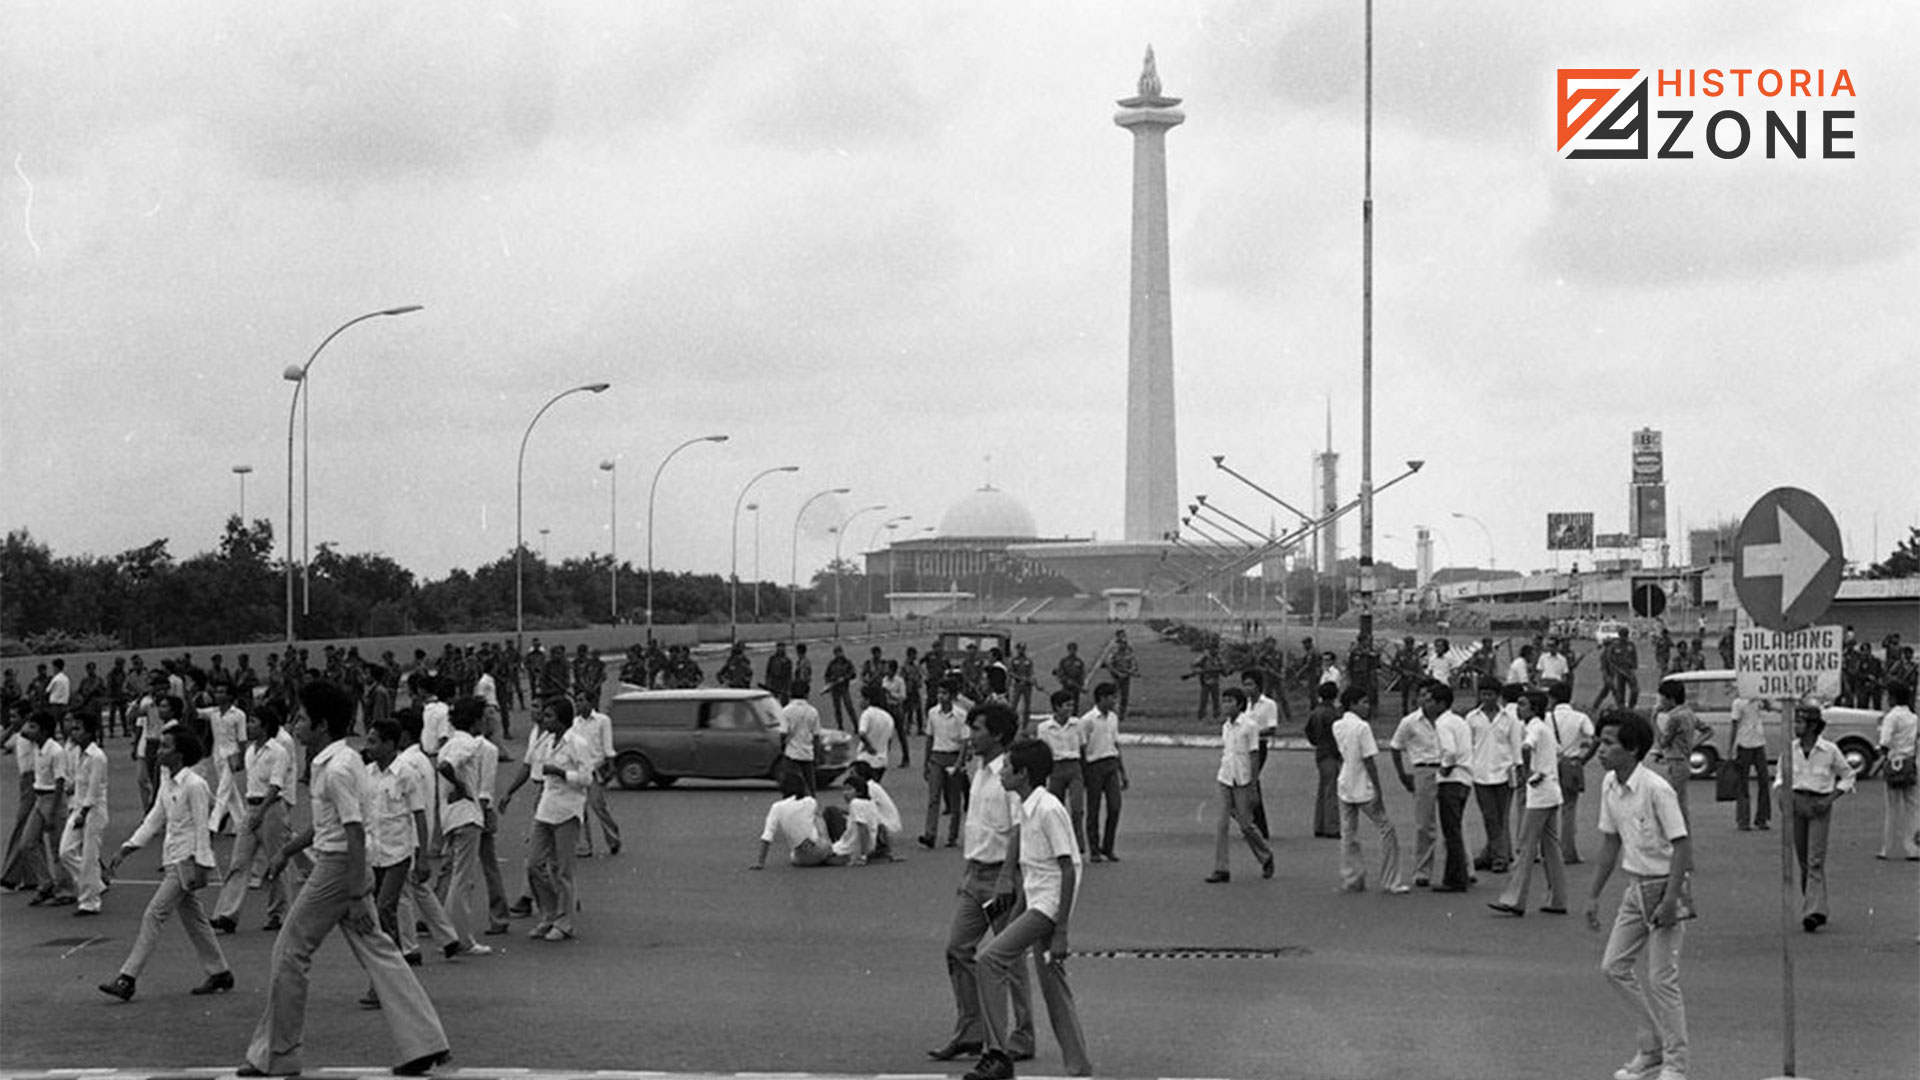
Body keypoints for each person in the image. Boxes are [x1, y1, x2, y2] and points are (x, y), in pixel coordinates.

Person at [240, 680, 449, 1077]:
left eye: (301, 719)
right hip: (347, 865)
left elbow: (351, 832)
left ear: (320, 725)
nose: (295, 725)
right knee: (380, 952)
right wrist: (286, 850)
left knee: (289, 953)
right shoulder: (348, 760)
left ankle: (278, 1056)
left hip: (338, 870)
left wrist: (355, 891)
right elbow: (331, 825)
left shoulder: (334, 769)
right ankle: (426, 1042)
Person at [968, 736, 1092, 1080]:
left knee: (989, 960)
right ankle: (1079, 1067)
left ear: (1023, 774)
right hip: (1037, 904)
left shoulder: (1049, 809)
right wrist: (1015, 912)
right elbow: (1033, 870)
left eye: (1007, 768)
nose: (1002, 773)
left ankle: (997, 1055)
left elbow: (1069, 867)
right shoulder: (1026, 809)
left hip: (1049, 909)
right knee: (1054, 990)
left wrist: (1061, 930)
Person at [1583, 709, 1694, 1080]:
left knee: (1663, 979)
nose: (1601, 750)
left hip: (1666, 887)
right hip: (1636, 889)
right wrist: (1594, 895)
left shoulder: (1656, 788)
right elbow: (1611, 841)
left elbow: (1681, 846)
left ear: (1632, 749)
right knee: (1613, 967)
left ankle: (1676, 1065)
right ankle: (1651, 1049)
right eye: (1600, 742)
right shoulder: (1609, 786)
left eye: (1609, 743)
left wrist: (1668, 900)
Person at [927, 701, 1035, 1066]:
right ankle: (971, 1030)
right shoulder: (978, 770)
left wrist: (1007, 876)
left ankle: (1021, 1035)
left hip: (1001, 879)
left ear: (999, 735)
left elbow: (1019, 827)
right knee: (957, 948)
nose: (969, 736)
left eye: (977, 730)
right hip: (974, 875)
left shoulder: (1009, 775)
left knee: (1009, 959)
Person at [97, 727, 234, 1001]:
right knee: (194, 919)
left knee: (154, 915)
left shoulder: (194, 785)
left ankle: (127, 978)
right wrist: (128, 847)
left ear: (180, 755)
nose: (159, 751)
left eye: (165, 747)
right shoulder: (169, 783)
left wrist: (200, 862)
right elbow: (154, 819)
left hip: (186, 861)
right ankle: (219, 971)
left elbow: (202, 826)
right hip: (173, 859)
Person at [502, 697, 593, 941]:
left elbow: (587, 778)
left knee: (563, 870)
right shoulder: (543, 741)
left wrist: (562, 773)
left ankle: (564, 923)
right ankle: (549, 913)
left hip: (567, 810)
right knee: (534, 864)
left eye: (550, 716)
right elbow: (530, 767)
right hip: (545, 808)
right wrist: (510, 792)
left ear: (562, 719)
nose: (544, 719)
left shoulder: (577, 743)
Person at [210, 707, 291, 934]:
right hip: (251, 806)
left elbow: (275, 785)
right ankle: (227, 914)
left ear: (265, 726)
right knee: (239, 862)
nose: (250, 726)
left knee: (276, 862)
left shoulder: (278, 751)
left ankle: (278, 913)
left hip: (271, 809)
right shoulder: (250, 751)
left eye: (254, 722)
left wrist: (261, 811)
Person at [1489, 690, 1567, 917]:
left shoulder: (1533, 727)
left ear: (1533, 708)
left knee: (1525, 846)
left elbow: (1525, 747)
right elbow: (1558, 753)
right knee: (1551, 847)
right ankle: (1557, 899)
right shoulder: (1545, 728)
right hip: (1551, 790)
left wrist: (1527, 772)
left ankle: (1515, 899)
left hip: (1540, 794)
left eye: (1523, 705)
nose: (1518, 708)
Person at [1778, 705, 1855, 932]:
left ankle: (1813, 911)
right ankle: (1815, 904)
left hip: (1820, 805)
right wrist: (1782, 796)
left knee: (1815, 860)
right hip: (1797, 803)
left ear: (1812, 726)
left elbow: (1848, 775)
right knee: (1803, 860)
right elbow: (1781, 777)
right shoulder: (1789, 749)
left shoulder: (1829, 750)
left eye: (1800, 723)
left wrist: (1830, 799)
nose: (1796, 727)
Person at [434, 696, 495, 955]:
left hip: (450, 816)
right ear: (474, 720)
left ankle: (450, 935)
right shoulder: (467, 744)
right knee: (463, 880)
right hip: (466, 815)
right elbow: (446, 767)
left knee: (458, 878)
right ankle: (460, 939)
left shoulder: (449, 742)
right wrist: (462, 787)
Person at [1332, 686, 1406, 894]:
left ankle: (1352, 878)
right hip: (1363, 784)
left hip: (1345, 782)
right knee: (1387, 829)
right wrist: (1378, 790)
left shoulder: (1337, 725)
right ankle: (1390, 880)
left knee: (1348, 833)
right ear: (1352, 704)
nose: (1367, 706)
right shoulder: (1362, 727)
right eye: (1363, 702)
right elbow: (1369, 761)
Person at [1206, 687, 1274, 883]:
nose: (1226, 704)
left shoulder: (1249, 726)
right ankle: (1221, 869)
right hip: (1226, 777)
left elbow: (1254, 756)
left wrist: (1253, 786)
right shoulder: (1226, 726)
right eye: (1224, 700)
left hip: (1243, 779)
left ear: (1239, 704)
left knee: (1246, 825)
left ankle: (1265, 855)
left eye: (1230, 701)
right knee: (1222, 824)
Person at [1389, 684, 1443, 887]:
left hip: (1448, 770)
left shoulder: (1448, 721)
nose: (1425, 701)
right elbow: (1396, 746)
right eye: (1422, 696)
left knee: (1454, 823)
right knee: (1424, 824)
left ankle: (1460, 868)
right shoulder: (1410, 722)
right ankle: (1423, 870)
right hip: (1423, 769)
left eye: (1430, 697)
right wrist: (1402, 774)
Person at [1466, 680, 1523, 875]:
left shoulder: (1509, 719)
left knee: (1501, 816)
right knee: (1489, 816)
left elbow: (1516, 746)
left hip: (1504, 772)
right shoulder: (1472, 718)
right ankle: (1498, 855)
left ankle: (1496, 855)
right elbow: (1468, 746)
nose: (1487, 698)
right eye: (1483, 694)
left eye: (1491, 694)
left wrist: (1519, 768)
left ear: (1498, 696)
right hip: (1480, 773)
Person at [57, 711, 109, 915]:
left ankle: (89, 901)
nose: (73, 732)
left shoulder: (97, 756)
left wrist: (84, 812)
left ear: (89, 732)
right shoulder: (76, 752)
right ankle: (95, 884)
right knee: (65, 851)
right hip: (78, 807)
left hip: (93, 810)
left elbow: (95, 789)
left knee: (89, 856)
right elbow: (78, 781)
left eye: (78, 728)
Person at [1034, 690, 1089, 858]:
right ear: (1057, 708)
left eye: (1072, 705)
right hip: (1056, 768)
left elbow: (1083, 747)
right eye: (1067, 705)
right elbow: (1042, 753)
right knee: (1056, 809)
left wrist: (1084, 772)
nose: (1070, 709)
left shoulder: (1077, 724)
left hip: (1074, 767)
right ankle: (1058, 845)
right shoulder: (1044, 728)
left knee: (1077, 809)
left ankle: (1078, 846)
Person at [1432, 685, 1475, 892]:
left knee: (1451, 831)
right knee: (1455, 828)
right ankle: (1457, 874)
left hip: (1451, 779)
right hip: (1465, 778)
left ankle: (1457, 878)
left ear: (1440, 703)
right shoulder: (1460, 721)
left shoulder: (1442, 723)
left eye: (1431, 701)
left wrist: (1445, 767)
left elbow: (1449, 750)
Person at [750, 768, 837, 868]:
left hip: (800, 859)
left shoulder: (777, 807)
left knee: (793, 853)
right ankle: (829, 848)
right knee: (818, 817)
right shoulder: (810, 801)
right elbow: (820, 822)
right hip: (820, 851)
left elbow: (767, 836)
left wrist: (760, 862)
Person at [570, 689, 620, 858]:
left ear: (590, 703)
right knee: (579, 809)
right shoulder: (575, 723)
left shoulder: (602, 721)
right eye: (577, 700)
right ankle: (585, 845)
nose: (578, 704)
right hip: (579, 770)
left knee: (598, 806)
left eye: (581, 700)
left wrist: (611, 766)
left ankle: (613, 839)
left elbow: (607, 746)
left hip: (595, 768)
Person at [1551, 683, 1598, 864]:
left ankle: (1547, 850)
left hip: (1552, 765)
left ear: (1552, 699)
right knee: (1569, 808)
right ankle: (1568, 851)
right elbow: (1595, 737)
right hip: (1572, 764)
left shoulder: (1547, 717)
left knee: (1549, 809)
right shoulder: (1580, 717)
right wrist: (1585, 758)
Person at [1081, 683, 1126, 863]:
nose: (1115, 701)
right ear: (1102, 698)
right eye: (1112, 697)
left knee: (1115, 806)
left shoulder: (1113, 718)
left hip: (1111, 763)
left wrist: (1123, 771)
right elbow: (1083, 747)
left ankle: (1108, 847)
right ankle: (1094, 848)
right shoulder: (1088, 720)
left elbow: (1116, 744)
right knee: (1094, 808)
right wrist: (1084, 773)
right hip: (1094, 765)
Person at [920, 681, 969, 849]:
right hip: (937, 756)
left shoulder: (961, 715)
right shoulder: (933, 713)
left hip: (953, 756)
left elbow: (964, 741)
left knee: (954, 799)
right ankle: (930, 834)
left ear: (953, 696)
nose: (941, 696)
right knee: (934, 798)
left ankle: (952, 835)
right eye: (939, 693)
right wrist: (925, 762)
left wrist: (959, 763)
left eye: (945, 693)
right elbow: (929, 738)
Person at [1650, 680, 1705, 822]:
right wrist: (1692, 744)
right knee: (1680, 800)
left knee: (1674, 801)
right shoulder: (1688, 712)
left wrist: (1654, 720)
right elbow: (1707, 730)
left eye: (1662, 698)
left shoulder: (1674, 718)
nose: (1660, 702)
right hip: (1683, 760)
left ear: (1670, 698)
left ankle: (1680, 833)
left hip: (1675, 761)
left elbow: (1663, 742)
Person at [1875, 682, 1919, 860]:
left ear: (1893, 697)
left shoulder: (1891, 717)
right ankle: (1914, 848)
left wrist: (1879, 760)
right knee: (1913, 808)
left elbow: (1885, 742)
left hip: (1894, 762)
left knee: (1892, 809)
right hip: (1910, 763)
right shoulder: (1913, 717)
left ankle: (1887, 848)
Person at [1240, 670, 1280, 839]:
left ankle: (1259, 827)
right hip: (1243, 747)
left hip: (1259, 746)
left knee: (1253, 782)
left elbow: (1272, 728)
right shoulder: (1244, 704)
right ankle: (1252, 824)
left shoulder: (1269, 704)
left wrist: (1253, 732)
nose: (1247, 688)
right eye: (1245, 684)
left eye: (1250, 684)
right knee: (1246, 782)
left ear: (1258, 686)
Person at [1725, 693, 1772, 832]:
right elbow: (1734, 725)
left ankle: (1762, 818)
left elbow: (1769, 707)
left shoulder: (1758, 700)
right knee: (1742, 783)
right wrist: (1730, 748)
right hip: (1744, 743)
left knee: (1764, 780)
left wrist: (1762, 698)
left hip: (1759, 743)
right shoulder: (1738, 703)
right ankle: (1743, 820)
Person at [1303, 681, 1343, 840]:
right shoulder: (1332, 714)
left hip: (1320, 751)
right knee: (1331, 791)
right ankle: (1331, 827)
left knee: (1323, 789)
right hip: (1331, 753)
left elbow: (1308, 730)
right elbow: (1337, 736)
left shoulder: (1315, 712)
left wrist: (1315, 742)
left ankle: (1319, 824)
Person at [779, 680, 823, 795]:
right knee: (810, 788)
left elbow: (783, 733)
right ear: (807, 694)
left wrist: (782, 747)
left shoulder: (786, 711)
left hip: (791, 754)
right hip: (808, 754)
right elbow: (816, 736)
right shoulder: (813, 712)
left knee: (791, 788)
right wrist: (817, 756)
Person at [856, 684, 899, 779]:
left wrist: (869, 746)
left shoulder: (867, 714)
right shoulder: (888, 717)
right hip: (881, 762)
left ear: (868, 700)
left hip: (865, 760)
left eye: (861, 698)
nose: (859, 701)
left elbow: (862, 734)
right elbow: (889, 741)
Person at [1102, 630, 1138, 719]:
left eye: (1124, 643)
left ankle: (1122, 714)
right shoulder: (1114, 652)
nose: (1123, 645)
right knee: (1115, 696)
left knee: (1125, 697)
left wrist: (1131, 671)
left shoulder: (1129, 651)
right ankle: (1112, 713)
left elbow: (1133, 662)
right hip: (1116, 677)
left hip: (1126, 677)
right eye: (1121, 643)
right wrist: (1118, 673)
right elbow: (1109, 664)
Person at [824, 645, 858, 730]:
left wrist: (845, 678)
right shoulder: (832, 664)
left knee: (849, 707)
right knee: (837, 709)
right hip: (835, 689)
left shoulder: (847, 662)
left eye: (840, 652)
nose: (839, 654)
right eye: (837, 653)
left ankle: (856, 725)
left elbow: (853, 674)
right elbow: (827, 675)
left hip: (844, 688)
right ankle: (840, 726)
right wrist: (830, 682)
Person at [1053, 643, 1086, 714]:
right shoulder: (1064, 661)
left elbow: (1082, 674)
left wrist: (1081, 685)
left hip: (1076, 687)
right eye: (1071, 649)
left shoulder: (1079, 662)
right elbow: (1060, 673)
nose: (1072, 651)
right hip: (1066, 686)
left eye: (1074, 649)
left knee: (1075, 704)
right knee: (1066, 703)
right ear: (1068, 650)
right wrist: (1065, 680)